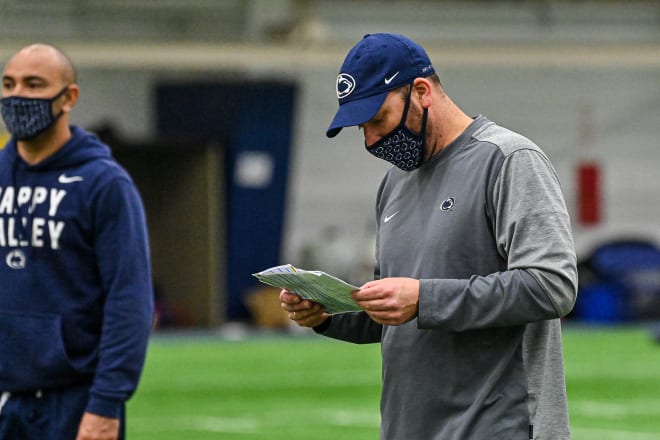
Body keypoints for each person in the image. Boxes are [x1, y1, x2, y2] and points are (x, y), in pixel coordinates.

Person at [281, 33, 577, 439]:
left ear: (421, 91)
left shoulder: (509, 160)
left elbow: (552, 286)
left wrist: (424, 298)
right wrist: (328, 314)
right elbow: (398, 315)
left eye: (377, 119)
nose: (371, 139)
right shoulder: (394, 185)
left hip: (497, 428)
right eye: (361, 128)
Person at [0, 44, 153, 439]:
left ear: (69, 97)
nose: (18, 96)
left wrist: (106, 402)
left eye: (34, 85)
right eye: (9, 84)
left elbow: (129, 300)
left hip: (76, 401)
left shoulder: (104, 184)